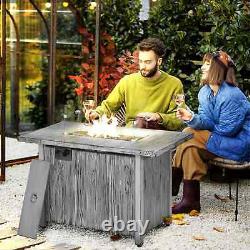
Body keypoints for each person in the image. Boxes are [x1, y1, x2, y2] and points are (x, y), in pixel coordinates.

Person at [171, 51, 250, 214]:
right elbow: (206, 121)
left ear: (217, 69)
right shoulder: (205, 92)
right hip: (216, 142)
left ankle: (171, 180)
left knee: (188, 133)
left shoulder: (232, 95)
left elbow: (228, 130)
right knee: (190, 146)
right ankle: (190, 201)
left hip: (238, 143)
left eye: (207, 64)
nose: (203, 68)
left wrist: (197, 126)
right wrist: (191, 117)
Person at [86, 37, 184, 131]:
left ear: (159, 61)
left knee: (142, 122)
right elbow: (109, 106)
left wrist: (158, 116)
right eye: (141, 61)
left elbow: (179, 118)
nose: (143, 67)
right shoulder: (128, 81)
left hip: (159, 137)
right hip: (132, 134)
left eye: (148, 62)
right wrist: (96, 113)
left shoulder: (174, 84)